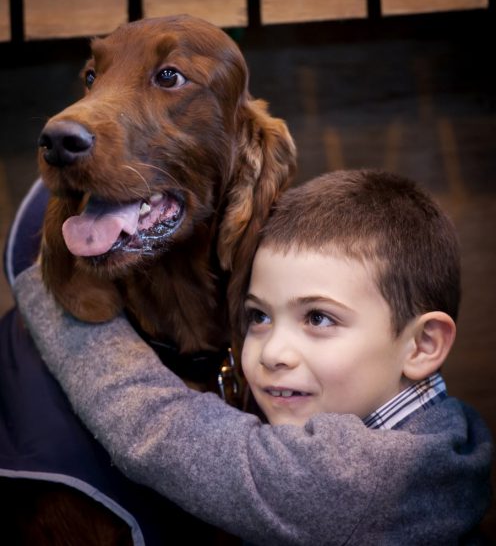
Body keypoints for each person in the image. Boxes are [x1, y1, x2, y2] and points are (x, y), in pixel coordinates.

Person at [14, 169, 493, 545]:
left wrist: (44, 281)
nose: (272, 353)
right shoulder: (444, 439)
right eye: (259, 318)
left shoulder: (359, 483)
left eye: (319, 319)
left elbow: (154, 425)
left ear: (422, 344)